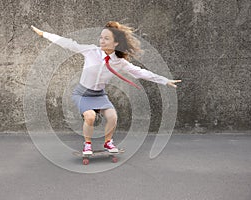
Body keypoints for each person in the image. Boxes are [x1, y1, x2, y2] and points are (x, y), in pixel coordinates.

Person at [31, 21, 181, 155]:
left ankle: (108, 142)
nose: (102, 41)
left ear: (115, 43)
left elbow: (139, 72)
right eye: (101, 37)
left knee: (112, 116)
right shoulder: (91, 51)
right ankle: (87, 144)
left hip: (99, 94)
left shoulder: (119, 62)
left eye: (106, 38)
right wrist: (44, 34)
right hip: (82, 93)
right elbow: (68, 43)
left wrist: (164, 80)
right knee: (90, 117)